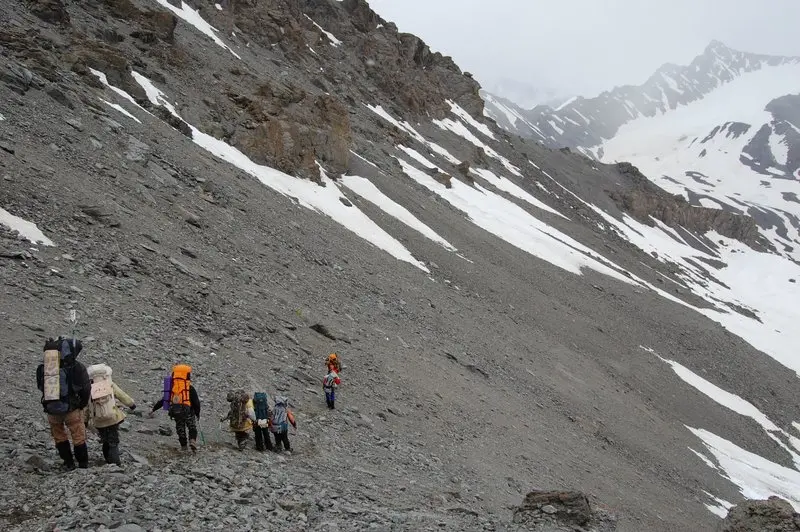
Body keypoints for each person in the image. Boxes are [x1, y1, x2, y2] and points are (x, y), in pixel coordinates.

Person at [36, 337, 91, 470]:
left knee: (59, 436)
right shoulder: (77, 366)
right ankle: (82, 464)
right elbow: (86, 388)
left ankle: (68, 463)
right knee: (78, 436)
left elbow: (40, 386)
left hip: (51, 408)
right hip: (72, 409)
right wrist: (82, 404)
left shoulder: (45, 367)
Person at [85, 364, 136, 465]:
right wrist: (131, 404)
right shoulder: (109, 383)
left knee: (105, 439)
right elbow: (121, 395)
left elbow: (86, 406)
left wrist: (85, 420)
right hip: (112, 416)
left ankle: (108, 460)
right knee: (113, 440)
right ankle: (115, 463)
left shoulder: (88, 387)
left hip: (98, 420)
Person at [150, 364, 201, 452]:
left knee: (180, 428)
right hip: (188, 411)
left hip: (176, 411)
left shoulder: (173, 389)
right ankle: (192, 441)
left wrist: (153, 409)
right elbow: (196, 402)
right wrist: (197, 413)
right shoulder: (189, 388)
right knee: (192, 427)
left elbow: (164, 400)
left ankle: (183, 446)